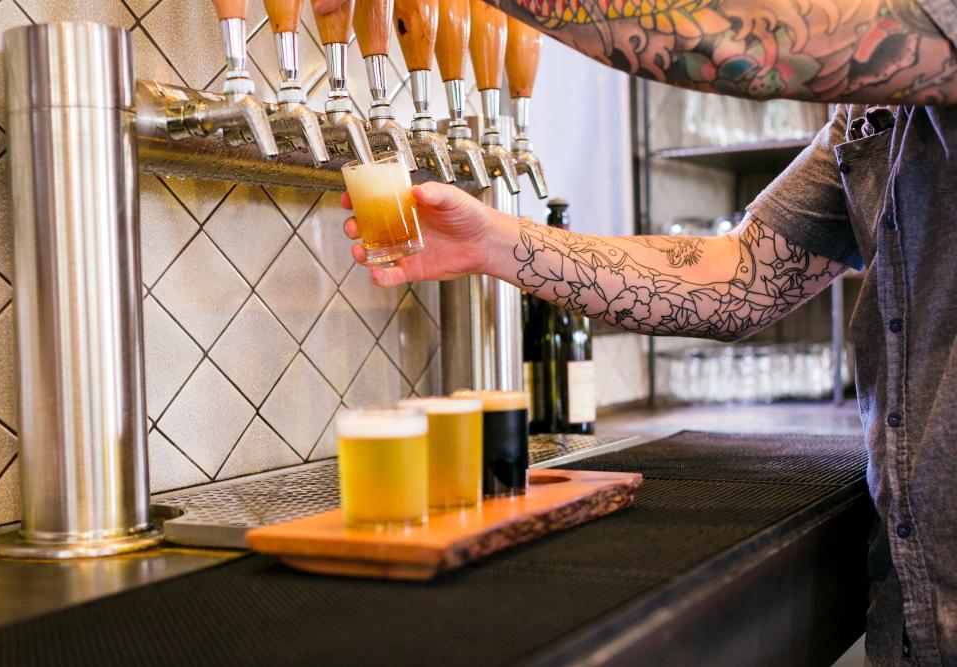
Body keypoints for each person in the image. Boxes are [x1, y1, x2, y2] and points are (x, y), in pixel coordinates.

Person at [319, 0, 957, 664]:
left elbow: (747, 38)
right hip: (918, 612)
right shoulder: (871, 119)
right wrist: (494, 241)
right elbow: (740, 277)